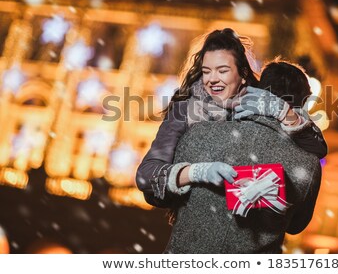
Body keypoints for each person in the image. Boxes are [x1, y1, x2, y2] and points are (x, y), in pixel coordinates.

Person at [135, 28, 326, 209]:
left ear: (242, 74)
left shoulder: (263, 100)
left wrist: (284, 112)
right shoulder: (186, 110)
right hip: (198, 217)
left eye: (222, 70)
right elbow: (146, 176)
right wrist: (196, 172)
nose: (212, 79)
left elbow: (317, 147)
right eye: (207, 71)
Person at [163, 60, 322, 253]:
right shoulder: (308, 163)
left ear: (258, 89)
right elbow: (296, 225)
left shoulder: (201, 133)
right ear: (303, 104)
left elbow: (161, 193)